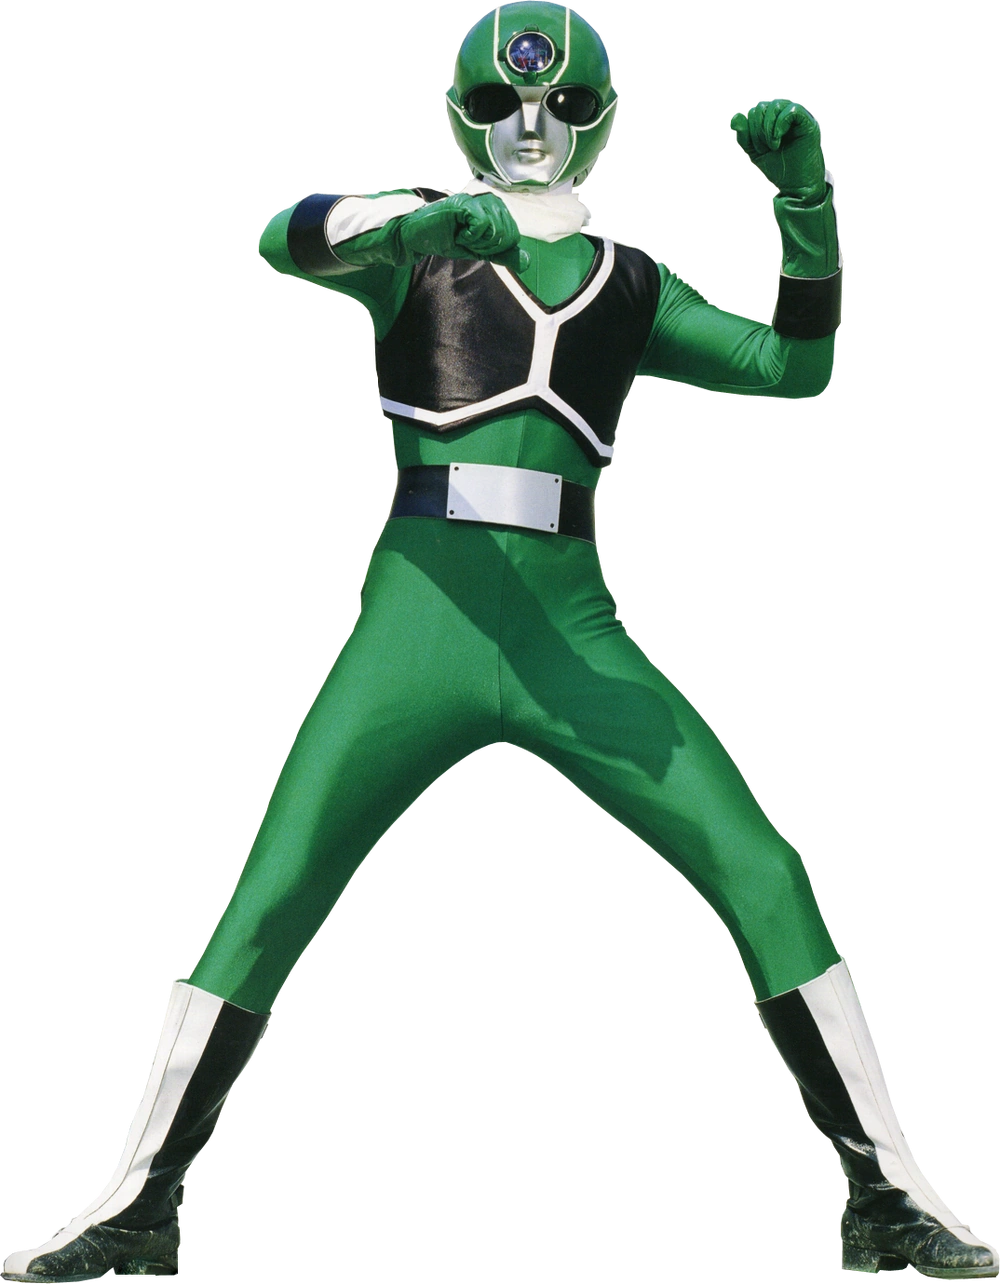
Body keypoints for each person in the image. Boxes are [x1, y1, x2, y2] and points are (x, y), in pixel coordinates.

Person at [3, 4, 995, 1282]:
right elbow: (283, 236)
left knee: (764, 873)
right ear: (457, 112)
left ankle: (889, 1200)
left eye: (564, 105)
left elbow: (793, 368)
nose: (533, 128)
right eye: (503, 103)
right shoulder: (417, 242)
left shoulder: (632, 280)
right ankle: (135, 1208)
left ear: (606, 118)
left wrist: (804, 206)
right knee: (273, 892)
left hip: (570, 625)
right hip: (422, 613)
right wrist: (415, 224)